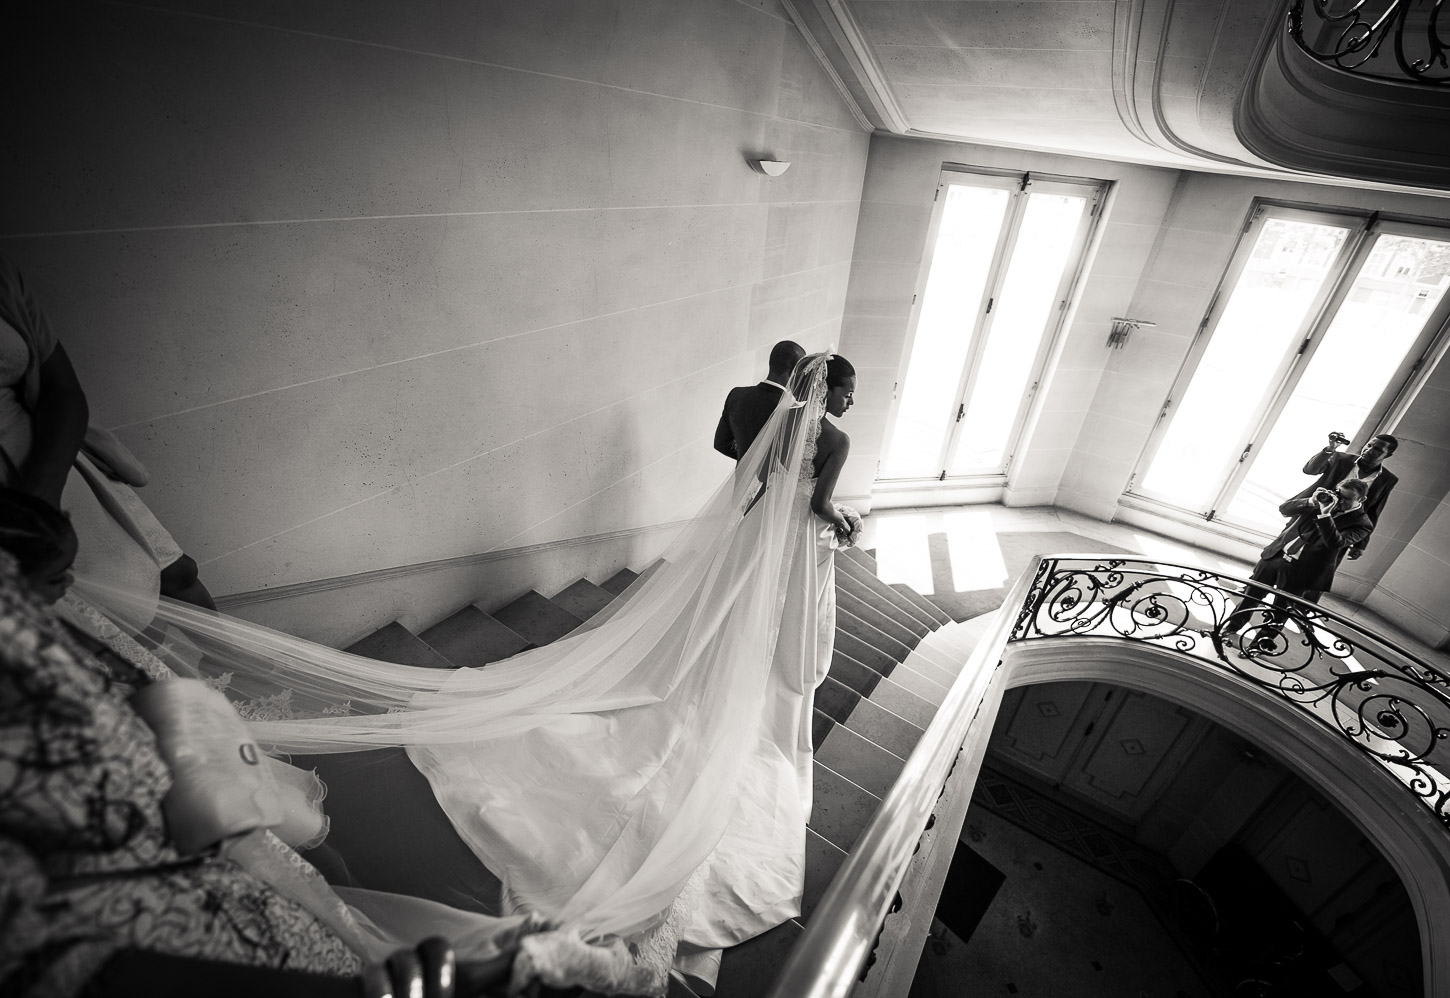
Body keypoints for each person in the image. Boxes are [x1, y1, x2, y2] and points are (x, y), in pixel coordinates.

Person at [71, 352, 860, 996]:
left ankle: (686, 683)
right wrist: (845, 518)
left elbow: (732, 456)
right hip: (784, 544)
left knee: (704, 622)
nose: (850, 399)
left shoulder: (752, 403)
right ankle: (720, 697)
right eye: (849, 390)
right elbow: (821, 507)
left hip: (740, 528)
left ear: (784, 370)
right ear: (833, 388)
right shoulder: (833, 440)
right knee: (749, 640)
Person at [0, 488, 543, 998]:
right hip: (189, 895)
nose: (70, 585)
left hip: (207, 834)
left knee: (316, 876)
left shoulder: (50, 649)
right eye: (53, 577)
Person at [0, 255, 215, 622]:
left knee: (174, 573)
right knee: (79, 623)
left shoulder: (3, 277)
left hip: (50, 456)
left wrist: (44, 491)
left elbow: (62, 388)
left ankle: (243, 673)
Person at [1224, 479, 1373, 646]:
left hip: (1302, 569)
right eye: (1339, 494)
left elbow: (1334, 543)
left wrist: (1325, 514)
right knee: (1250, 596)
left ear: (1361, 500)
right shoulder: (1324, 499)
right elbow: (1284, 509)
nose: (1340, 500)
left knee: (1280, 610)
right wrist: (1311, 501)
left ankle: (1260, 645)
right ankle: (1230, 628)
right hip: (1277, 555)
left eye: (1347, 499)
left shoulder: (1362, 524)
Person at [1295, 432, 1399, 563]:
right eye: (1369, 445)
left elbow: (1373, 512)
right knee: (1279, 558)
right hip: (1308, 518)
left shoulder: (1387, 479)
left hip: (1340, 531)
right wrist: (1330, 449)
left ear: (1388, 455)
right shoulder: (1341, 459)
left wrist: (1360, 544)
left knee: (1316, 571)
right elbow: (1310, 470)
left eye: (1377, 449)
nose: (1369, 450)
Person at [714, 339, 806, 461]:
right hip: (770, 480)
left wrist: (747, 465)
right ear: (795, 371)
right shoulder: (791, 409)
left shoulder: (736, 394)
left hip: (741, 478)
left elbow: (721, 444)